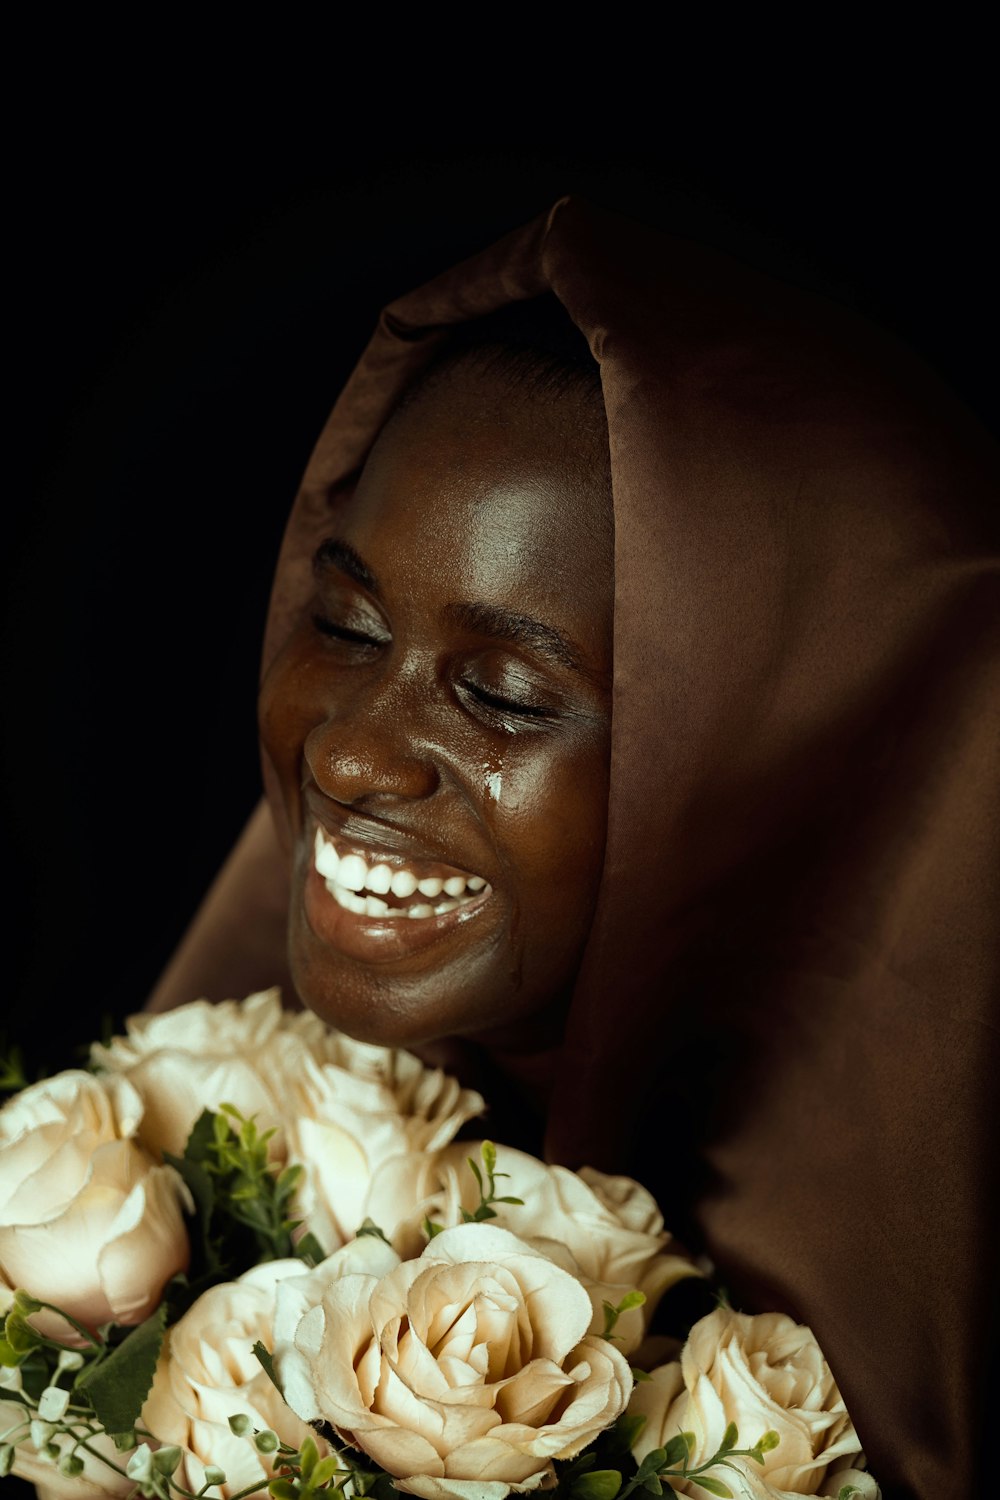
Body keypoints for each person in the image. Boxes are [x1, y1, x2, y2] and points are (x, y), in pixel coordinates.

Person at [147, 197, 999, 1499]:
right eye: (350, 624)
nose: (350, 757)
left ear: (769, 775)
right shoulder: (144, 1204)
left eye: (500, 693)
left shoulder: (902, 1388)